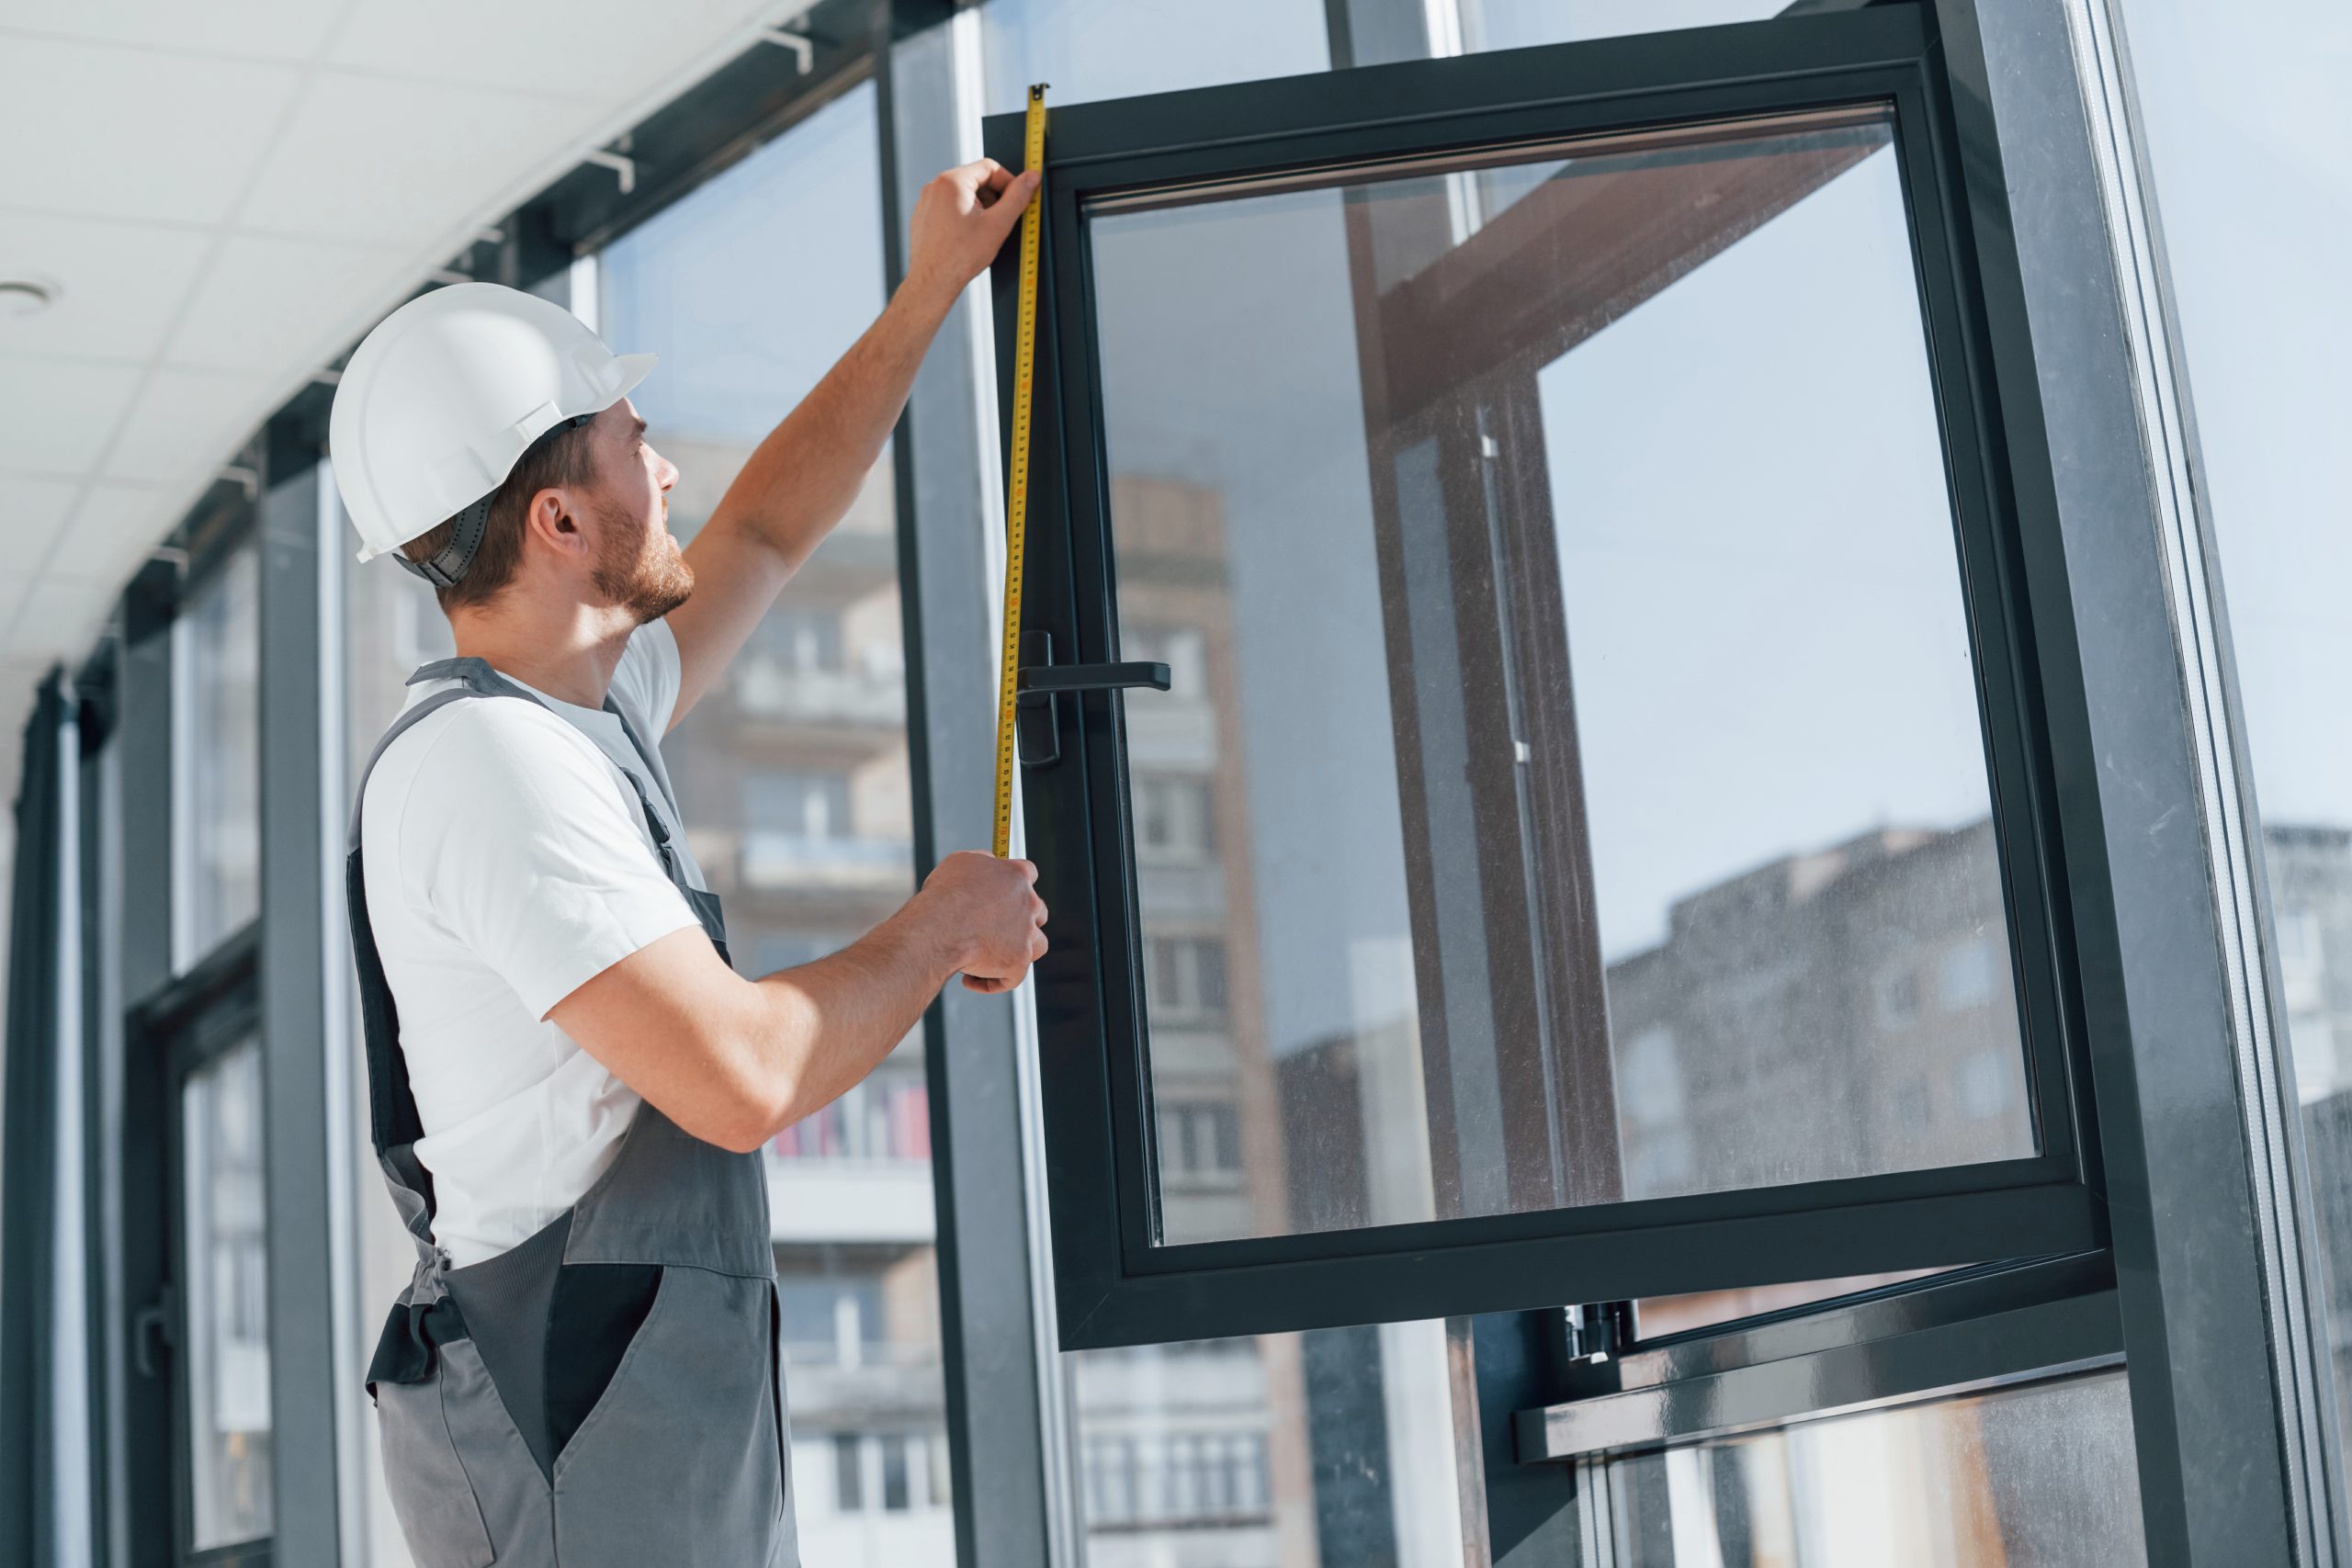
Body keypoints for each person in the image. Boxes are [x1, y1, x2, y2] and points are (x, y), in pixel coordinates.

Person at [329, 157, 1043, 1567]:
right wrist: (940, 922)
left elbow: (771, 530)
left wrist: (927, 294)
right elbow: (740, 1080)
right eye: (633, 438)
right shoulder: (493, 770)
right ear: (559, 521)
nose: (667, 468)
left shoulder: (584, 714)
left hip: (646, 1446)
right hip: (574, 1470)